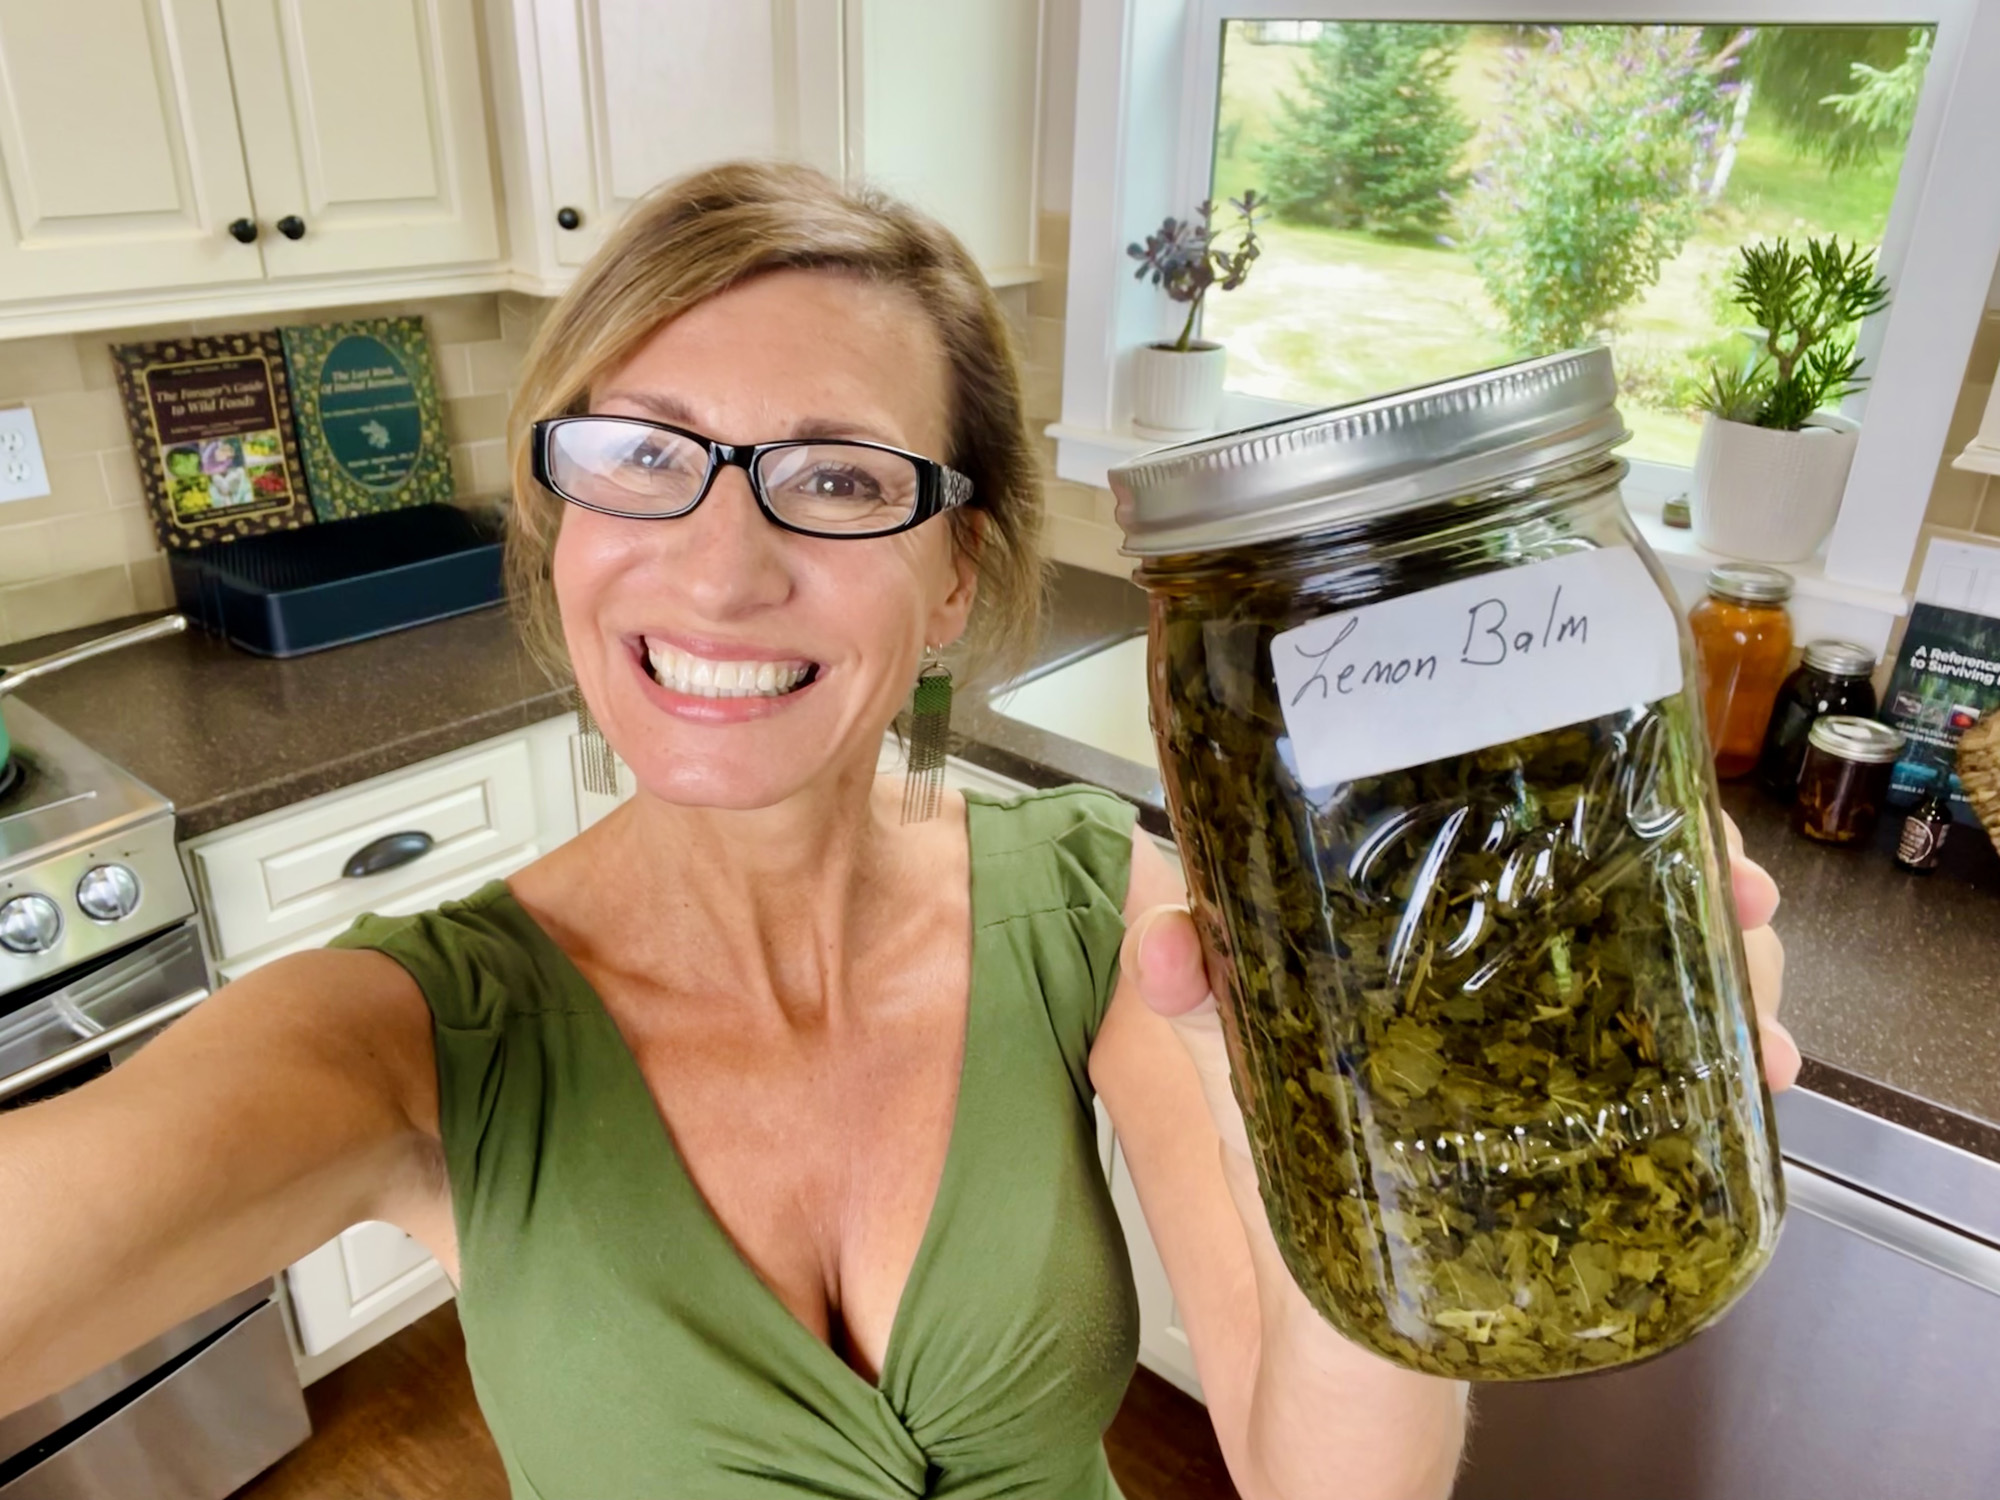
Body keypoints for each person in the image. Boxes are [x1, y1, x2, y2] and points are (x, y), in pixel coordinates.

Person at [0, 162, 1798, 1499]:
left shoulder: (1108, 917)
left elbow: (1325, 1475)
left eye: (841, 476)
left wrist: (1379, 1132)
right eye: (640, 451)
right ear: (560, 524)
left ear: (954, 579)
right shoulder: (404, 1040)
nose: (720, 561)